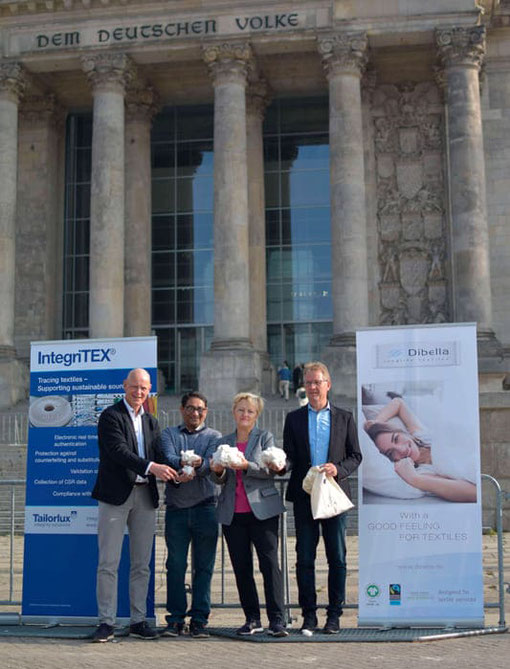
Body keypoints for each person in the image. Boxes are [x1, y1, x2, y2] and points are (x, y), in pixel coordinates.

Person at [91, 368, 178, 643]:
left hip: (145, 497)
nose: (139, 392)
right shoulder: (110, 416)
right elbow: (118, 452)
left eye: (144, 388)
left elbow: (162, 454)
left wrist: (182, 469)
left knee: (142, 564)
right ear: (124, 386)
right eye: (134, 387)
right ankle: (107, 622)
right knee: (109, 563)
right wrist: (154, 467)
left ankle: (138, 620)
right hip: (116, 496)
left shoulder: (152, 421)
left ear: (149, 390)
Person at [282, 361, 362, 635]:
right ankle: (309, 615)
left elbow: (356, 456)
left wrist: (338, 469)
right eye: (309, 382)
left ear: (328, 384)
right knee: (304, 557)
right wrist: (280, 465)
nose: (313, 387)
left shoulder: (345, 417)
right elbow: (290, 456)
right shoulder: (293, 418)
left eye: (318, 382)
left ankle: (334, 615)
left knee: (336, 557)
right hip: (305, 495)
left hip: (334, 495)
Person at [210, 392, 288, 637]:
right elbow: (217, 479)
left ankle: (277, 619)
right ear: (234, 412)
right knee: (242, 568)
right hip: (233, 513)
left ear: (257, 415)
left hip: (262, 512)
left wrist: (247, 466)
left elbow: (271, 470)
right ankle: (252, 618)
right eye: (241, 410)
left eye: (250, 411)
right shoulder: (224, 441)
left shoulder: (265, 437)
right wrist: (219, 470)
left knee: (269, 565)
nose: (245, 414)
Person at [159, 392, 221, 638]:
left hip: (206, 508)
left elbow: (213, 463)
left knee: (204, 567)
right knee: (175, 565)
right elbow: (169, 456)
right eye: (191, 408)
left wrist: (197, 466)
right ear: (181, 409)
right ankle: (175, 619)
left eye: (200, 409)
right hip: (176, 510)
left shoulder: (214, 436)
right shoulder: (169, 434)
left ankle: (199, 619)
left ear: (206, 411)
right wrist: (193, 462)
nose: (195, 413)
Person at [364, 396, 477, 502]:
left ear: (403, 432)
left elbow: (399, 403)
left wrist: (376, 422)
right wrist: (415, 479)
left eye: (396, 439)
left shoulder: (422, 435)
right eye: (391, 453)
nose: (402, 449)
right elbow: (474, 492)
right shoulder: (423, 472)